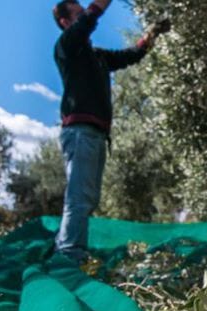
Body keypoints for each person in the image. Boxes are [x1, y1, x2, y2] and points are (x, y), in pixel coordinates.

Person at [51, 0, 170, 263]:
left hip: (95, 134)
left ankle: (69, 247)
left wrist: (152, 34)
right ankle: (69, 255)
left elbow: (131, 55)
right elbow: (89, 20)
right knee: (79, 197)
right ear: (66, 22)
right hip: (80, 132)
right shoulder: (67, 47)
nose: (84, 14)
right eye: (78, 13)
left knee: (88, 197)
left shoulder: (98, 57)